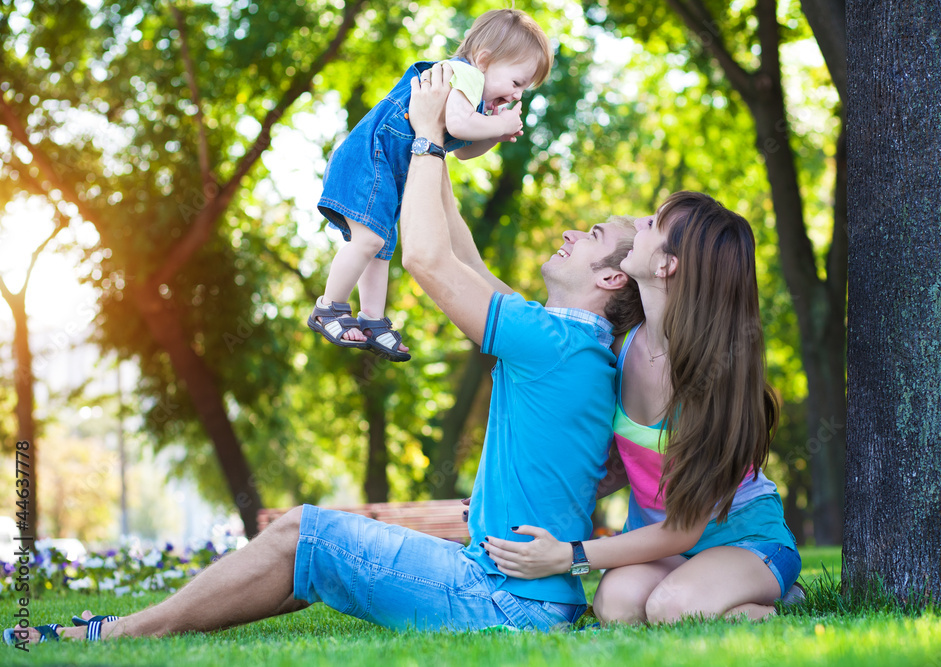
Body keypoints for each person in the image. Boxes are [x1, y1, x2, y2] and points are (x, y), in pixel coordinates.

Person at [2, 62, 639, 646]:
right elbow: (463, 253)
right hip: (514, 591)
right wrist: (438, 137)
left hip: (502, 601)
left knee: (305, 529)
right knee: (302, 547)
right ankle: (136, 625)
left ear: (611, 280)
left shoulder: (551, 341)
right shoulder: (572, 344)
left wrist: (420, 136)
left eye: (592, 236)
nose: (570, 232)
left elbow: (423, 256)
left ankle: (113, 636)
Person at [482, 192, 803, 625]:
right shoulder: (620, 344)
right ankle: (706, 590)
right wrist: (509, 491)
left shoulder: (711, 382)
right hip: (661, 545)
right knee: (616, 607)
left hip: (742, 540)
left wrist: (570, 557)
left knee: (673, 609)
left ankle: (780, 597)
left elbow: (684, 528)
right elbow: (534, 330)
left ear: (666, 265)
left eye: (653, 224)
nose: (639, 224)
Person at [307, 8, 552, 362]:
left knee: (381, 247)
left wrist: (497, 134)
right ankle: (329, 307)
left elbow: (465, 150)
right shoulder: (463, 74)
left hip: (386, 167)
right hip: (369, 157)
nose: (517, 95)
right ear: (484, 60)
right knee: (370, 241)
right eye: (517, 83)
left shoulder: (472, 95)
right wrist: (498, 126)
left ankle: (372, 319)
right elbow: (458, 123)